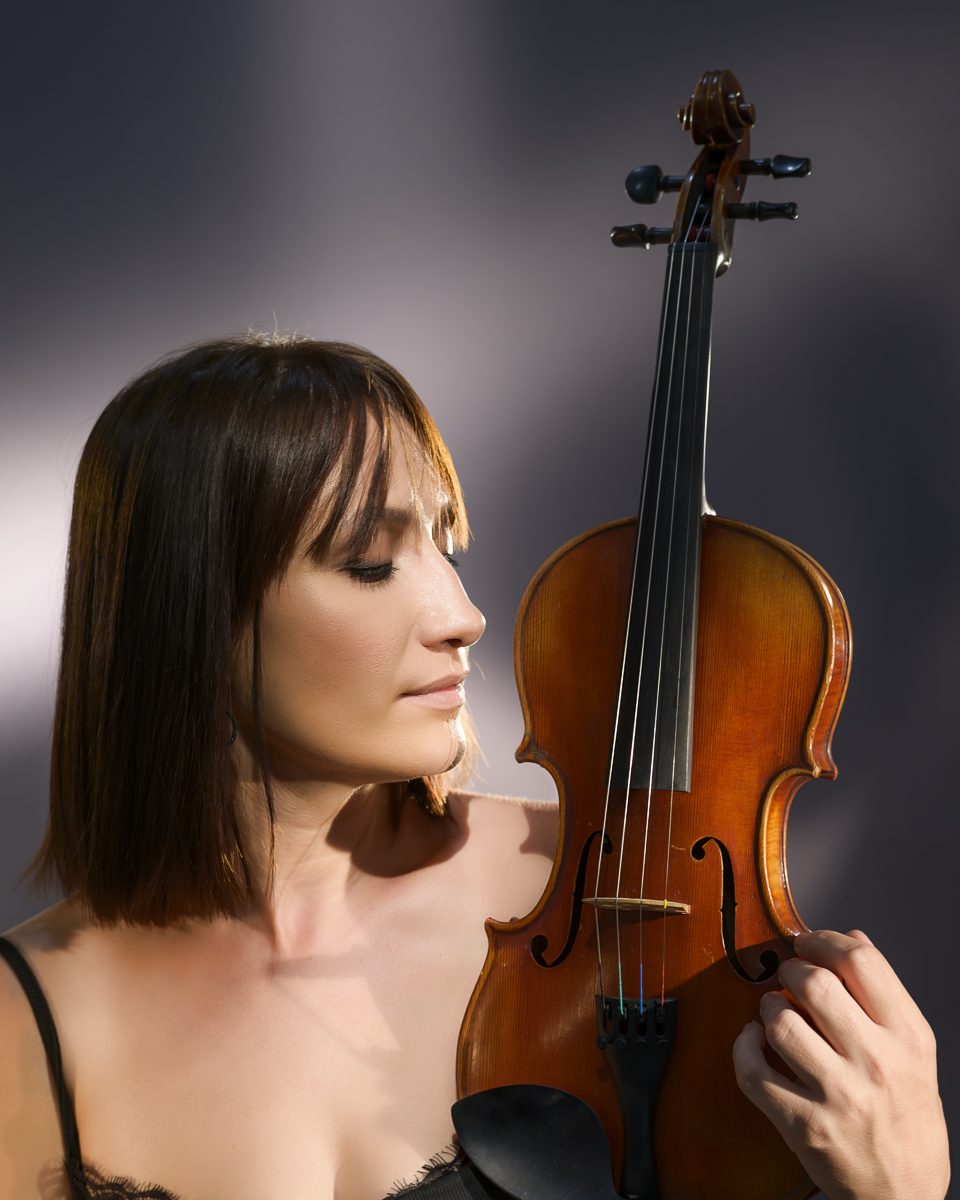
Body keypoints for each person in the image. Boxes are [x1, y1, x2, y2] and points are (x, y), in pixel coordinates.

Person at [0, 336, 948, 1200]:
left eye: (446, 547)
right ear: (187, 613)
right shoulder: (25, 1016)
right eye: (371, 563)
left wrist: (902, 1184)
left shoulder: (623, 900)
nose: (463, 614)